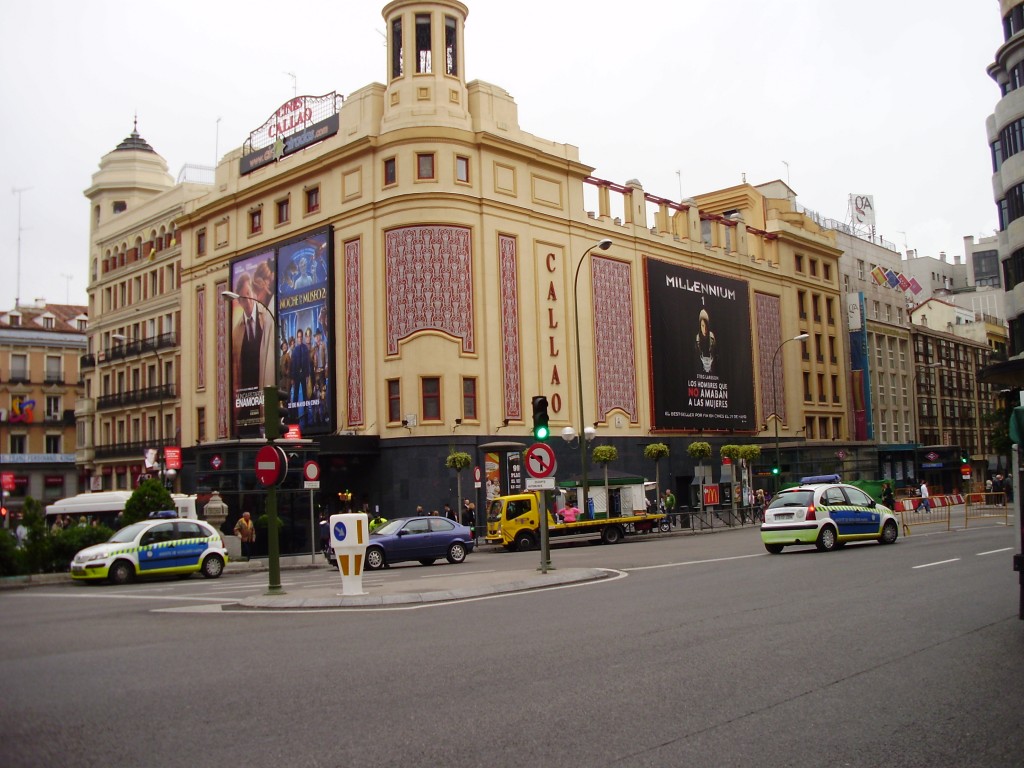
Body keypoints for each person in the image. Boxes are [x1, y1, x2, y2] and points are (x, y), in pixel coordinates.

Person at [230, 273, 276, 391]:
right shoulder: (236, 333)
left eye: (248, 293)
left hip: (268, 390)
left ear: (253, 293)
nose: (248, 301)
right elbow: (235, 373)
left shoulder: (267, 316)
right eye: (243, 299)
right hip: (246, 398)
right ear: (239, 302)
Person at [695, 307, 717, 373]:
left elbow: (716, 352)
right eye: (703, 326)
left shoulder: (712, 337)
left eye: (706, 325)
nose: (705, 329)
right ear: (700, 326)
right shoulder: (697, 339)